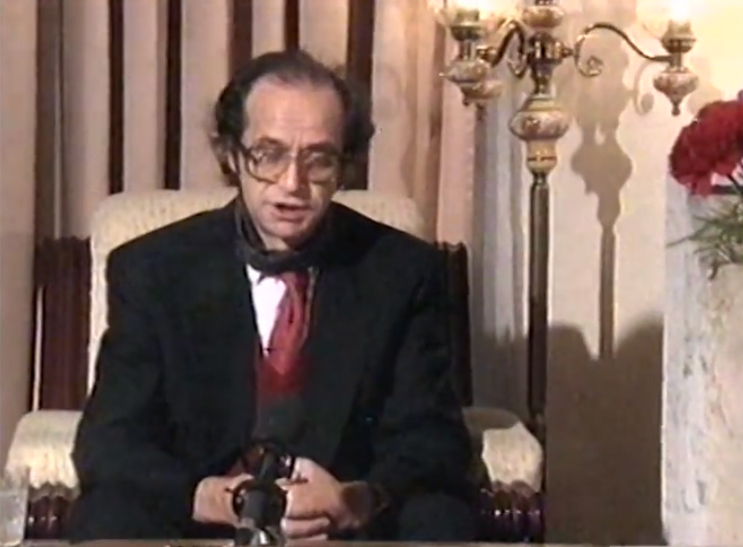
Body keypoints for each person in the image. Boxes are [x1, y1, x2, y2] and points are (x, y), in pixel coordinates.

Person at [67, 49, 476, 542]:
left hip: (341, 516)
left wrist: (354, 501)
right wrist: (217, 499)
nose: (292, 184)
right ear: (232, 155)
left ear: (345, 165)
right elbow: (110, 442)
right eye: (269, 155)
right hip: (200, 512)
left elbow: (432, 440)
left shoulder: (402, 270)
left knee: (440, 517)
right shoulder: (153, 268)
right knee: (109, 515)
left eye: (318, 160)